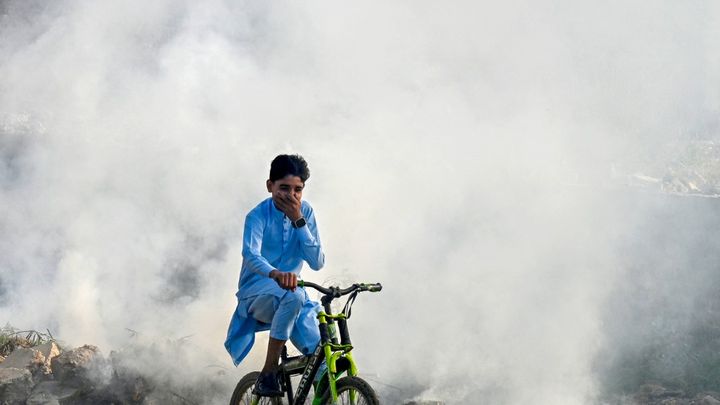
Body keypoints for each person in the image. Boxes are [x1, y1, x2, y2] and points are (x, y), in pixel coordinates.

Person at [224, 154, 325, 397]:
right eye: (284, 188)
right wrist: (275, 273)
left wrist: (298, 221)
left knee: (322, 353)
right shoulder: (257, 215)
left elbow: (317, 262)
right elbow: (250, 254)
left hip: (294, 296)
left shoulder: (305, 213)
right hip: (256, 294)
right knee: (294, 296)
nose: (292, 196)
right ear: (270, 186)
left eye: (298, 190)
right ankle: (268, 372)